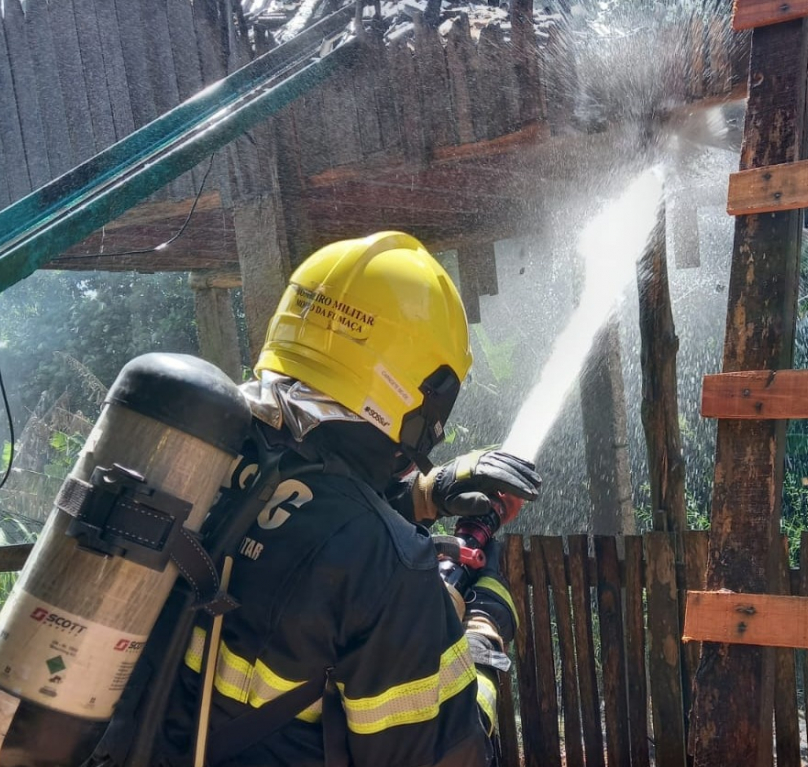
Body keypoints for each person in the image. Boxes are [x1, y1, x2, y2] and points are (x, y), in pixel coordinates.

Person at [156, 231, 541, 766]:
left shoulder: (202, 457)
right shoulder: (387, 569)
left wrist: (425, 496)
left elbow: (300, 529)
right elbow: (453, 755)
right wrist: (482, 635)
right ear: (421, 390)